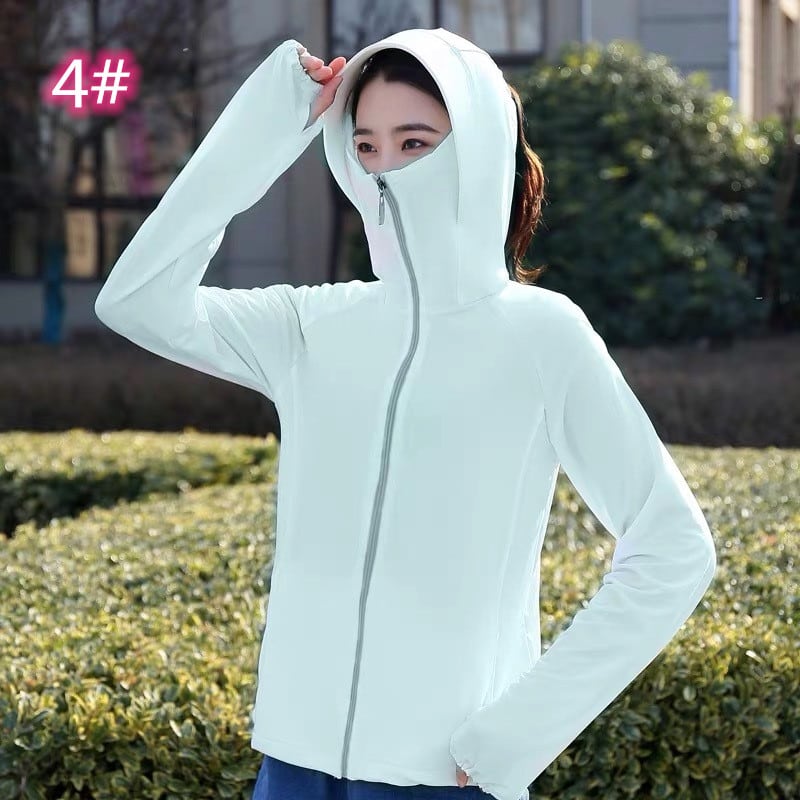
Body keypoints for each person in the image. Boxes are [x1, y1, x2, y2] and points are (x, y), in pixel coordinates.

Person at [94, 27, 717, 800]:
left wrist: (520, 732)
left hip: (442, 773)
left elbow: (674, 548)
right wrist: (269, 124)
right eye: (366, 146)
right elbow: (136, 300)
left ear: (477, 152)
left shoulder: (541, 336)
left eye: (415, 142)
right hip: (293, 763)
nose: (385, 169)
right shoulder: (311, 325)